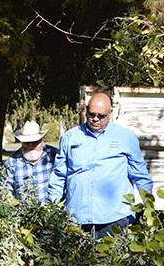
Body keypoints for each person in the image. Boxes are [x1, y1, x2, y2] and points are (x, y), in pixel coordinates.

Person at [48, 91, 153, 238]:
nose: (95, 119)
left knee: (110, 260)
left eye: (101, 116)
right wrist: (51, 207)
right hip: (76, 218)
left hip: (115, 218)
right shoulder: (69, 138)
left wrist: (147, 209)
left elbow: (141, 176)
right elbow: (59, 176)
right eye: (91, 114)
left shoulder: (126, 138)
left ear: (110, 113)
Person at [2, 121, 58, 204]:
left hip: (52, 212)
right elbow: (6, 189)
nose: (30, 145)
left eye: (34, 142)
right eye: (27, 142)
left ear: (41, 140)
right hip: (23, 214)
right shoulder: (12, 162)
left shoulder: (54, 156)